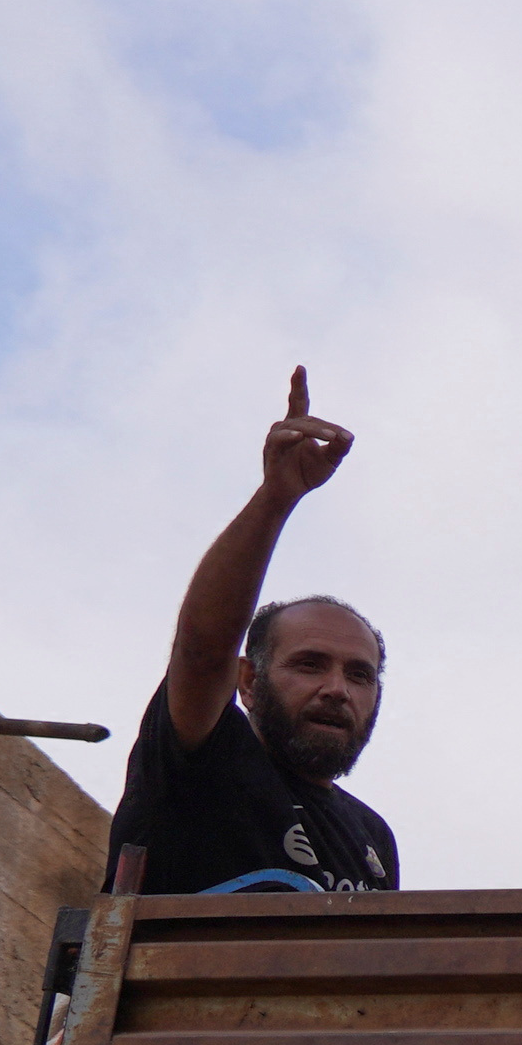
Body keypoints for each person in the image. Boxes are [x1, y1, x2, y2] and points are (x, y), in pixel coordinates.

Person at [117, 369, 398, 895]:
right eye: (309, 664)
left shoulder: (373, 839)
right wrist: (277, 497)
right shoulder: (205, 757)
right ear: (247, 679)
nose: (337, 689)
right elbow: (202, 650)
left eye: (360, 675)